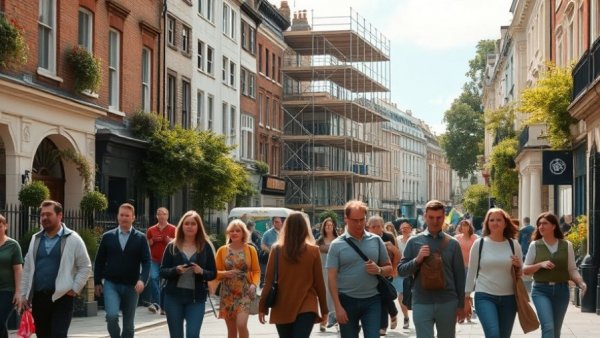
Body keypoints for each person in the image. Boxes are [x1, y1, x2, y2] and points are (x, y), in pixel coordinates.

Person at [19, 200, 92, 338]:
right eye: (42, 215)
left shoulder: (73, 238)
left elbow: (85, 266)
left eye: (49, 214)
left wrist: (75, 288)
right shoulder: (35, 239)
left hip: (63, 297)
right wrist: (24, 294)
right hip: (39, 297)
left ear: (60, 216)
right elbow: (28, 268)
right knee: (43, 334)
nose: (45, 218)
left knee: (58, 334)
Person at [398, 200, 466, 338]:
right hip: (421, 301)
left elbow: (460, 277)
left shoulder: (453, 244)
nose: (435, 221)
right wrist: (417, 260)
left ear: (444, 217)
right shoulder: (414, 241)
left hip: (447, 302)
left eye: (439, 217)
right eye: (431, 217)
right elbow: (401, 271)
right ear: (425, 216)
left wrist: (461, 305)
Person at [326, 200, 392, 338]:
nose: (359, 224)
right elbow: (331, 278)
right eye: (355, 220)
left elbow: (389, 269)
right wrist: (337, 307)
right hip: (346, 301)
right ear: (346, 219)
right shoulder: (336, 245)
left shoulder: (376, 240)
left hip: (372, 300)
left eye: (362, 220)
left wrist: (379, 270)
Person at [258, 212, 328, 338]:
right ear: (305, 228)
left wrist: (262, 307)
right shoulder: (313, 251)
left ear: (286, 227)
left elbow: (268, 281)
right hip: (307, 305)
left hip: (282, 305)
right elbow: (319, 283)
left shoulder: (276, 250)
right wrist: (324, 310)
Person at [523, 212, 587, 338]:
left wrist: (581, 283)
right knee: (548, 327)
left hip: (561, 291)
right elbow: (525, 269)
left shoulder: (566, 245)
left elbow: (572, 269)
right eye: (539, 224)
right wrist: (540, 264)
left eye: (545, 223)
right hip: (541, 290)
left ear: (553, 226)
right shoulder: (535, 245)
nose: (541, 226)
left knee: (556, 330)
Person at [94, 203, 151, 338]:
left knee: (128, 326)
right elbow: (100, 260)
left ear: (133, 218)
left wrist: (142, 280)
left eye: (127, 215)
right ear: (117, 217)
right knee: (112, 316)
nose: (124, 218)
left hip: (132, 286)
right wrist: (97, 281)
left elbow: (147, 262)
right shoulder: (108, 236)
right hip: (111, 284)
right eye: (121, 215)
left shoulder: (140, 238)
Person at [465, 208, 522, 338]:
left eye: (498, 220)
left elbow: (522, 274)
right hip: (485, 296)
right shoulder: (479, 244)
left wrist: (518, 267)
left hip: (509, 298)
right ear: (487, 223)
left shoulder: (514, 245)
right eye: (491, 220)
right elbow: (471, 271)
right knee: (493, 334)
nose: (495, 223)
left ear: (505, 223)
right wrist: (467, 296)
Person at [160, 210, 217, 338]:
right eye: (187, 223)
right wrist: (176, 270)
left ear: (198, 227)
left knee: (192, 334)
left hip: (196, 299)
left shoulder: (206, 246)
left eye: (193, 224)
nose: (190, 226)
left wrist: (201, 271)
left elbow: (213, 273)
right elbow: (162, 271)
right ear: (182, 226)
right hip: (173, 298)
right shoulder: (172, 246)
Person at [214, 220, 260, 338]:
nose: (234, 233)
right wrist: (225, 273)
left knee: (241, 324)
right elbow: (215, 273)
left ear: (243, 233)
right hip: (227, 293)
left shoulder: (250, 249)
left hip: (245, 292)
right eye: (232, 231)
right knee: (231, 330)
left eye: (238, 230)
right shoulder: (222, 250)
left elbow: (256, 271)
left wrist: (254, 285)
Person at [366, 216, 399, 335]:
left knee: (383, 297)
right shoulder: (365, 238)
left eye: (378, 226)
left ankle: (383, 326)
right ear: (368, 228)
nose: (376, 229)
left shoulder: (388, 237)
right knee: (382, 298)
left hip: (385, 272)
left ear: (382, 226)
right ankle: (393, 312)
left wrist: (394, 268)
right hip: (371, 273)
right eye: (373, 226)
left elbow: (397, 254)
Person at [146, 207, 176, 314]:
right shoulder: (151, 230)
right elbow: (147, 244)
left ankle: (162, 306)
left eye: (163, 214)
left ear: (167, 216)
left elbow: (177, 244)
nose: (161, 216)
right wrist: (152, 241)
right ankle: (157, 303)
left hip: (168, 261)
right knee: (153, 278)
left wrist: (169, 241)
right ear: (156, 216)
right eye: (159, 214)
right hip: (154, 259)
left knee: (164, 283)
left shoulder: (173, 229)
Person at [0, 214, 22, 338]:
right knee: (1, 325)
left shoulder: (13, 245)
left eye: (0, 226)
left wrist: (18, 292)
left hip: (7, 291)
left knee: (0, 320)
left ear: (5, 226)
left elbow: (18, 269)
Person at [315, 217, 338, 331]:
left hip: (335, 271)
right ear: (323, 227)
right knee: (323, 296)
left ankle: (336, 319)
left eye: (331, 225)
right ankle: (323, 321)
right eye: (326, 225)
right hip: (322, 271)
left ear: (334, 227)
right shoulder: (319, 241)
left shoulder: (338, 240)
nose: (329, 227)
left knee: (335, 295)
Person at [454, 219, 478, 323]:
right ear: (460, 227)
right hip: (460, 268)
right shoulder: (457, 238)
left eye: (466, 225)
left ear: (470, 227)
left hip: (472, 268)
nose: (465, 227)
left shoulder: (475, 238)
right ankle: (464, 314)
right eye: (463, 226)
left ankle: (467, 313)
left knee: (468, 292)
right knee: (462, 292)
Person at [396, 221, 412, 329]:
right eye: (402, 228)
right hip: (400, 272)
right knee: (401, 297)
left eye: (406, 227)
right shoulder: (397, 240)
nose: (404, 229)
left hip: (412, 272)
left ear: (411, 228)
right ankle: (406, 317)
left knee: (413, 297)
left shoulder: (415, 240)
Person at [259, 217, 283, 287]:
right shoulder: (267, 233)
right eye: (276, 222)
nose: (279, 223)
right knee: (269, 275)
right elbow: (262, 245)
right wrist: (270, 252)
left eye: (279, 222)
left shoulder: (284, 233)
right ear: (273, 223)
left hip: (281, 258)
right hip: (269, 257)